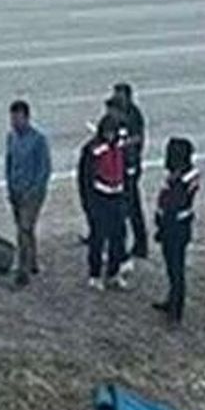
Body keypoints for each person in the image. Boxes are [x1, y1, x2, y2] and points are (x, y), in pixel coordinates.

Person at [153, 137, 200, 324]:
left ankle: (175, 308)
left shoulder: (180, 179)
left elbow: (172, 205)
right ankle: (173, 300)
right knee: (173, 267)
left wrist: (161, 227)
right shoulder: (185, 175)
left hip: (175, 227)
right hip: (179, 225)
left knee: (175, 268)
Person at [5, 100, 52, 287]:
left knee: (24, 229)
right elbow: (9, 163)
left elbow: (44, 169)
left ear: (26, 118)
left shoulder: (38, 140)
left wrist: (34, 191)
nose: (14, 122)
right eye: (12, 118)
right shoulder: (11, 138)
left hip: (32, 194)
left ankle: (22, 270)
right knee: (24, 228)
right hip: (16, 191)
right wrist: (10, 185)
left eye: (17, 118)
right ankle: (32, 261)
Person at [78, 115, 128, 290]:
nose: (110, 136)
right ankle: (95, 274)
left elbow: (125, 170)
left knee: (118, 237)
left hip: (117, 197)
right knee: (98, 238)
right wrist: (88, 203)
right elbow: (85, 178)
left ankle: (113, 272)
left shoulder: (120, 147)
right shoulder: (93, 149)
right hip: (99, 198)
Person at [110, 84, 149, 268]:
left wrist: (122, 143)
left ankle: (140, 243)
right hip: (119, 166)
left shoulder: (133, 115)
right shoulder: (115, 112)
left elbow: (137, 138)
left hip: (129, 166)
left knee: (132, 206)